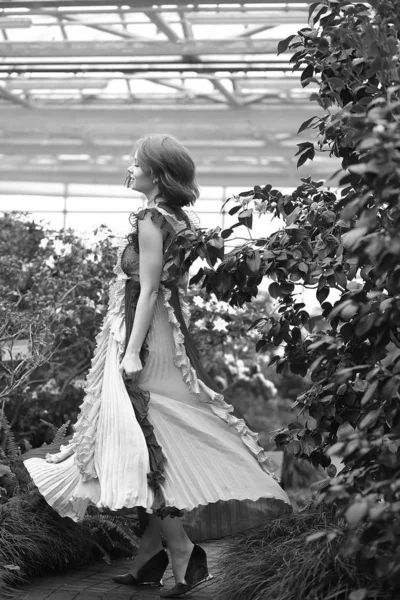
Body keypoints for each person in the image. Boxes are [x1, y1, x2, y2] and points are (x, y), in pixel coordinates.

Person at [23, 134, 291, 598]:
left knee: (144, 439)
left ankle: (184, 552)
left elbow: (148, 290)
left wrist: (129, 352)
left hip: (145, 338)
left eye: (136, 161)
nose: (128, 167)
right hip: (158, 332)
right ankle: (151, 555)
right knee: (151, 434)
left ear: (157, 175)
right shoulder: (174, 218)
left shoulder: (151, 217)